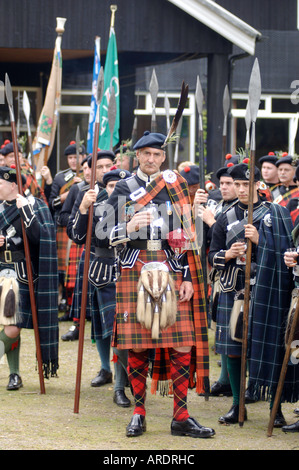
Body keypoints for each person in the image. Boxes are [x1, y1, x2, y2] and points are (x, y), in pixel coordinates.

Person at [95, 130, 215, 438]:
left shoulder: (175, 187)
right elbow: (100, 232)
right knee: (137, 343)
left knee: (182, 341)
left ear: (164, 157)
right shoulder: (123, 187)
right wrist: (127, 225)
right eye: (146, 154)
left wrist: (188, 276)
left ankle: (181, 416)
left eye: (157, 154)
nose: (151, 159)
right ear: (138, 156)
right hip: (134, 269)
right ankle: (138, 412)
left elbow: (188, 235)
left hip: (172, 268)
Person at [208, 162, 293, 425]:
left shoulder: (276, 213)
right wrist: (227, 254)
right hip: (235, 290)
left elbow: (288, 254)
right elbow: (211, 255)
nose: (242, 190)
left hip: (267, 291)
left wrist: (260, 241)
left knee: (269, 349)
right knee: (234, 350)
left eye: (247, 185)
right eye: (237, 185)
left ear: (258, 185)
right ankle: (237, 405)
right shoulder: (225, 216)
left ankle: (274, 408)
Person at [71, 167, 132, 407]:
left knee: (125, 332)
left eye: (121, 187)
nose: (116, 191)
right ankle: (111, 375)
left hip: (131, 271)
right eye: (111, 186)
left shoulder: (137, 208)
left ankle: (123, 381)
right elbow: (77, 236)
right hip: (102, 271)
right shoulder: (97, 208)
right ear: (105, 188)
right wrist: (84, 208)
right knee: (106, 329)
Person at [0, 166, 59, 390]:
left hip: (20, 274)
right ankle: (14, 374)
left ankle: (14, 374)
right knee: (6, 324)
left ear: (13, 185)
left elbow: (39, 238)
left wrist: (25, 210)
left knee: (13, 325)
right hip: (0, 268)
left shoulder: (34, 205)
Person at [194, 160, 238, 398]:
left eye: (229, 183)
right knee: (220, 326)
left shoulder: (241, 208)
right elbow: (201, 237)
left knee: (236, 329)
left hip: (237, 274)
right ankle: (224, 379)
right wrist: (197, 209)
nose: (225, 188)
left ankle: (234, 381)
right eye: (222, 183)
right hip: (218, 269)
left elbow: (233, 239)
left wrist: (211, 221)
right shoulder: (218, 205)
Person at [49, 140, 86, 315]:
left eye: (77, 157)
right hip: (64, 225)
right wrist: (68, 193)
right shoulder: (60, 177)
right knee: (64, 266)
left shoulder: (88, 176)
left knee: (78, 266)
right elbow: (52, 203)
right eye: (71, 158)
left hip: (84, 224)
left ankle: (77, 305)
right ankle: (64, 300)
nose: (74, 161)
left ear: (84, 158)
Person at [59, 156, 91, 338]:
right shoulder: (77, 189)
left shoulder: (110, 187)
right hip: (81, 243)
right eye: (84, 168)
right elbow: (63, 217)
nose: (87, 171)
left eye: (90, 168)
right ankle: (77, 325)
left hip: (102, 244)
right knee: (79, 286)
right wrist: (79, 218)